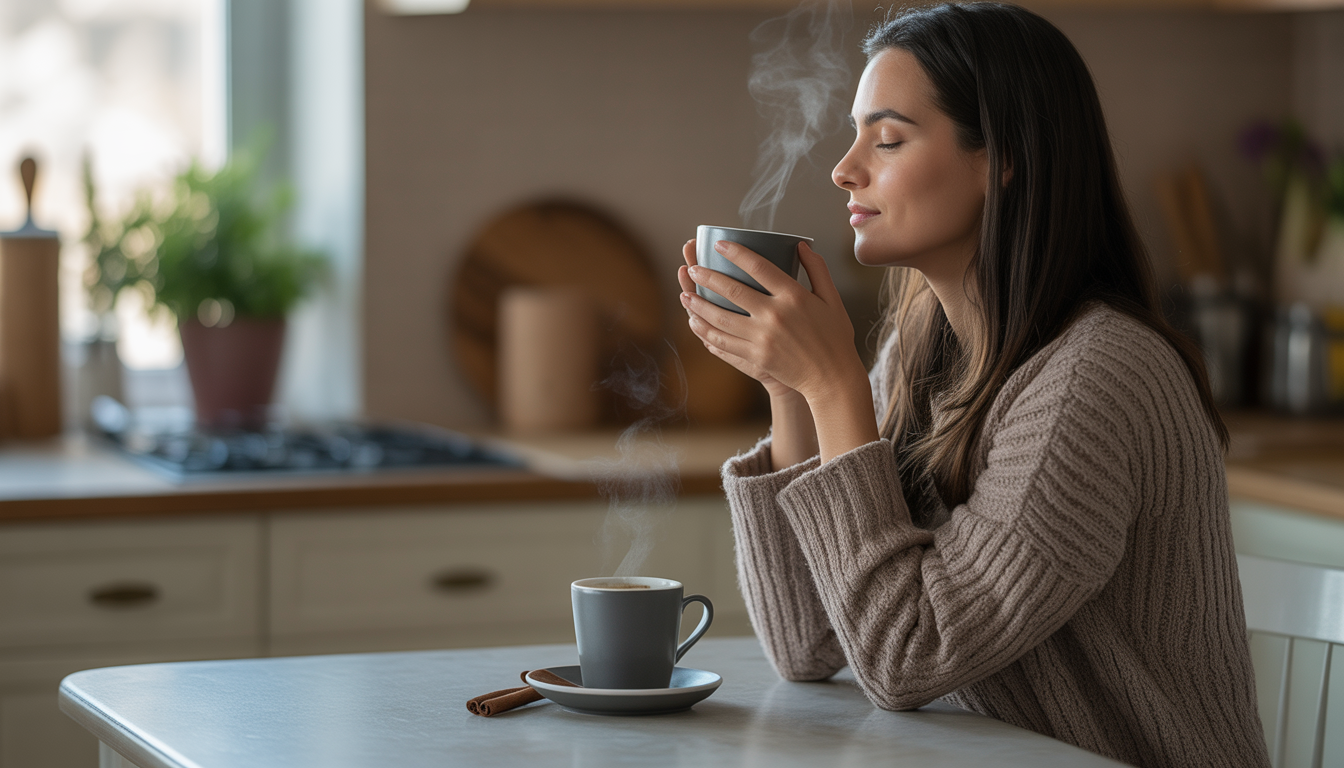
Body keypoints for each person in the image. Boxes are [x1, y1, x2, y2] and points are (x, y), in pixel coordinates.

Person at [675, 4, 1271, 767]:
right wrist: (789, 388)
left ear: (1005, 158)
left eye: (888, 139)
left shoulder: (1098, 376)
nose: (845, 169)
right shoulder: (922, 352)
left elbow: (907, 656)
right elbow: (809, 641)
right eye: (855, 135)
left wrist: (833, 388)